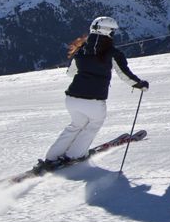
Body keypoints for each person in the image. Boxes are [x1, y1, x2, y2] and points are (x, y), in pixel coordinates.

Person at [37, 16, 149, 171]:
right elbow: (125, 74)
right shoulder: (112, 53)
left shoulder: (81, 50)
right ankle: (74, 155)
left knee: (75, 125)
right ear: (108, 32)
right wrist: (139, 84)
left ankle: (51, 158)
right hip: (94, 101)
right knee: (93, 125)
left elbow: (70, 73)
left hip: (72, 98)